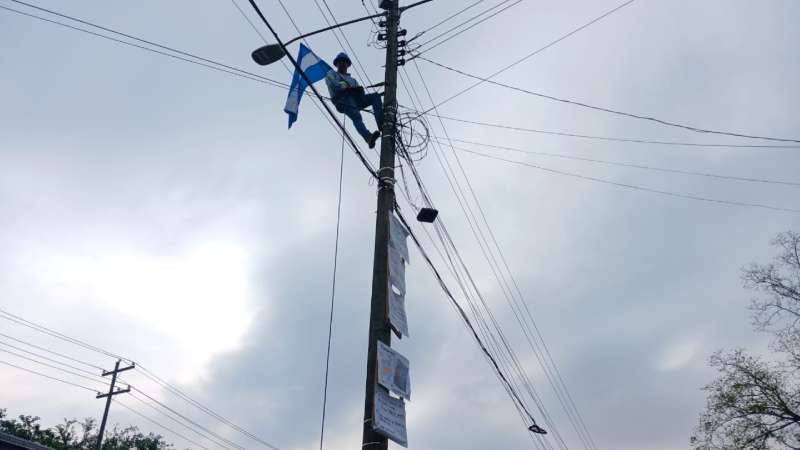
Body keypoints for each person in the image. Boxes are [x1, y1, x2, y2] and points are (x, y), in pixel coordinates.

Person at [325, 52, 384, 149]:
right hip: (342, 99)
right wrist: (349, 88)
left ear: (348, 65)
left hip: (355, 99)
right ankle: (368, 137)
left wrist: (360, 90)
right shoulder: (331, 74)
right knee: (356, 116)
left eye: (345, 62)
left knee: (375, 96)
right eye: (341, 62)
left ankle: (381, 122)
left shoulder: (352, 80)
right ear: (337, 64)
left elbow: (360, 93)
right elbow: (334, 85)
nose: (343, 64)